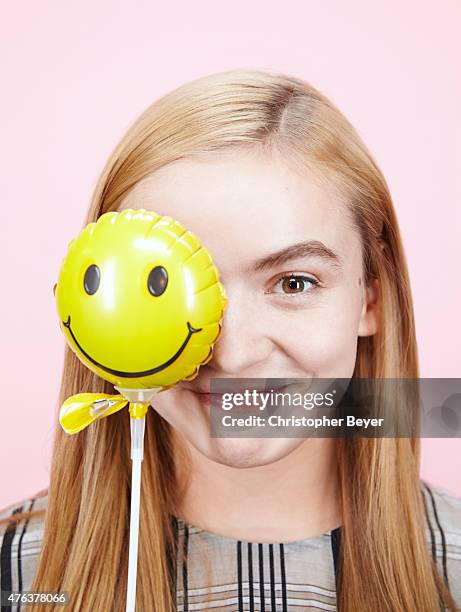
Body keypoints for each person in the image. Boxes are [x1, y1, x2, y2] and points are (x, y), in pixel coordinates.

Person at [1, 69, 460, 612]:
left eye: (294, 283)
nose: (233, 353)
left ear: (370, 299)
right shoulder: (18, 574)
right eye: (163, 289)